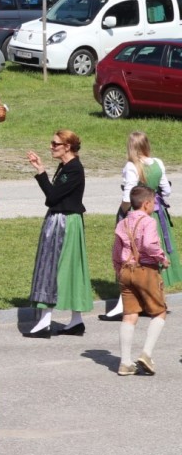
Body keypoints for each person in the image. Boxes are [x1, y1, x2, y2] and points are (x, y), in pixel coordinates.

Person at [105, 131, 181, 319]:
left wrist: (123, 213)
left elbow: (127, 197)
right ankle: (150, 300)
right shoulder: (158, 163)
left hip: (138, 215)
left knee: (131, 255)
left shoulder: (131, 166)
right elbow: (167, 190)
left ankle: (128, 302)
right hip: (156, 213)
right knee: (151, 255)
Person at [24, 129, 90, 338]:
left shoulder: (74, 169)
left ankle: (45, 323)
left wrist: (41, 173)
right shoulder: (66, 167)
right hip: (65, 220)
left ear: (67, 147)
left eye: (55, 144)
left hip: (64, 223)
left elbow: (52, 197)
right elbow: (55, 195)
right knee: (69, 269)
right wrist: (41, 169)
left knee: (52, 269)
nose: (51, 147)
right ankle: (76, 321)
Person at [112, 185, 169, 376]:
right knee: (159, 311)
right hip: (145, 270)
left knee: (129, 314)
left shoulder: (122, 223)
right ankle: (146, 353)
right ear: (146, 204)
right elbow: (148, 244)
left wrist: (118, 271)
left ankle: (125, 362)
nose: (154, 206)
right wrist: (162, 257)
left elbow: (116, 251)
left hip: (126, 270)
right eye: (153, 203)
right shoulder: (148, 221)